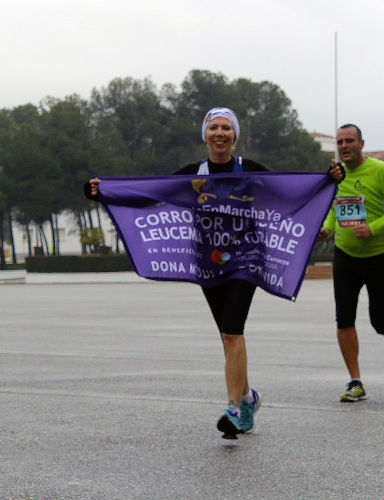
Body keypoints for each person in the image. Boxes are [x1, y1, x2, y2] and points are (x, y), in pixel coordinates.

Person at [88, 107, 344, 436]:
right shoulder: (191, 173)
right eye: (214, 128)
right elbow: (151, 194)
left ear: (234, 136)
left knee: (231, 331)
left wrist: (327, 183)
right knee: (228, 336)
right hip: (208, 260)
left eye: (226, 128)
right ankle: (249, 397)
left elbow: (290, 193)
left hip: (246, 256)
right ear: (205, 135)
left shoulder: (249, 170)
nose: (220, 133)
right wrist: (103, 193)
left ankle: (234, 409)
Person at [318, 124, 384, 402]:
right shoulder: (336, 175)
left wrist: (372, 228)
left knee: (379, 319)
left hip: (383, 257)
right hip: (346, 256)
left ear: (362, 143)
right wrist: (326, 228)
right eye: (340, 142)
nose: (344, 146)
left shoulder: (381, 171)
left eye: (350, 141)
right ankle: (355, 381)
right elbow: (334, 210)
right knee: (344, 318)